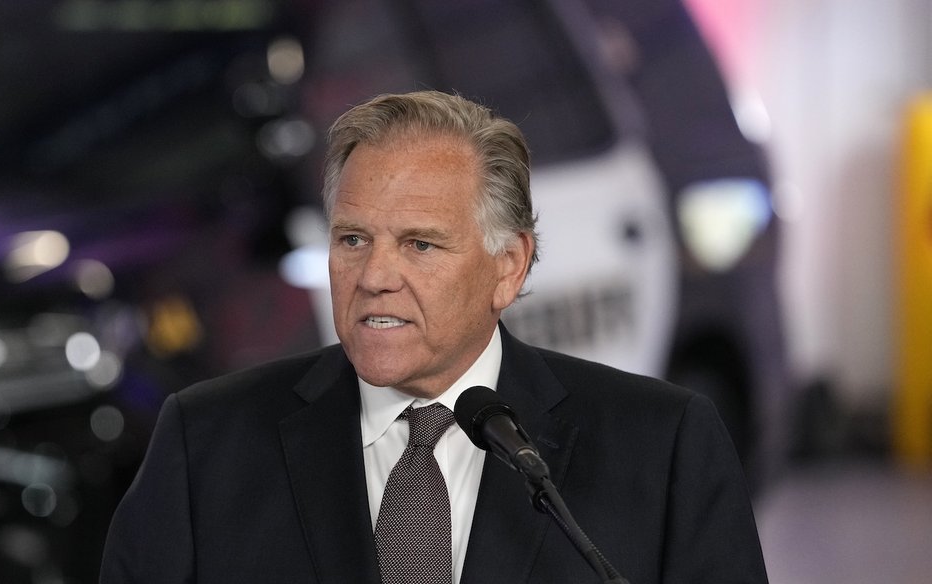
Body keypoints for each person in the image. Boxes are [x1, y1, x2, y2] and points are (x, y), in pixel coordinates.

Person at [99, 90, 768, 583]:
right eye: (353, 240)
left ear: (508, 266)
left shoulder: (663, 448)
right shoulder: (204, 443)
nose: (374, 276)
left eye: (419, 244)